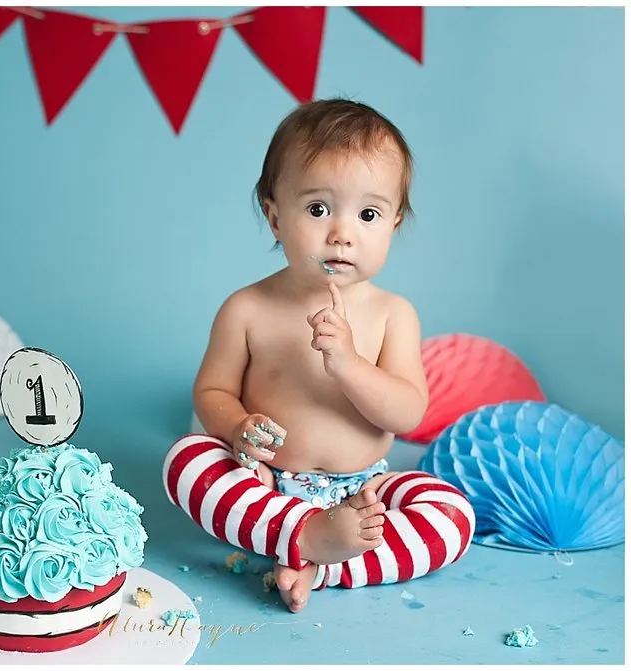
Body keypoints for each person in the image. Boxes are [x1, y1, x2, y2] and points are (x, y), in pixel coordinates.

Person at [161, 99, 475, 613]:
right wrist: (238, 427)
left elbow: (407, 412)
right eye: (317, 209)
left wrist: (349, 364)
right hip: (266, 484)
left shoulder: (394, 314)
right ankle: (305, 535)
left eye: (368, 214)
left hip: (364, 488)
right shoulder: (247, 308)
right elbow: (211, 391)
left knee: (451, 515)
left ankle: (319, 560)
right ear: (275, 216)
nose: (341, 233)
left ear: (393, 225)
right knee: (186, 460)